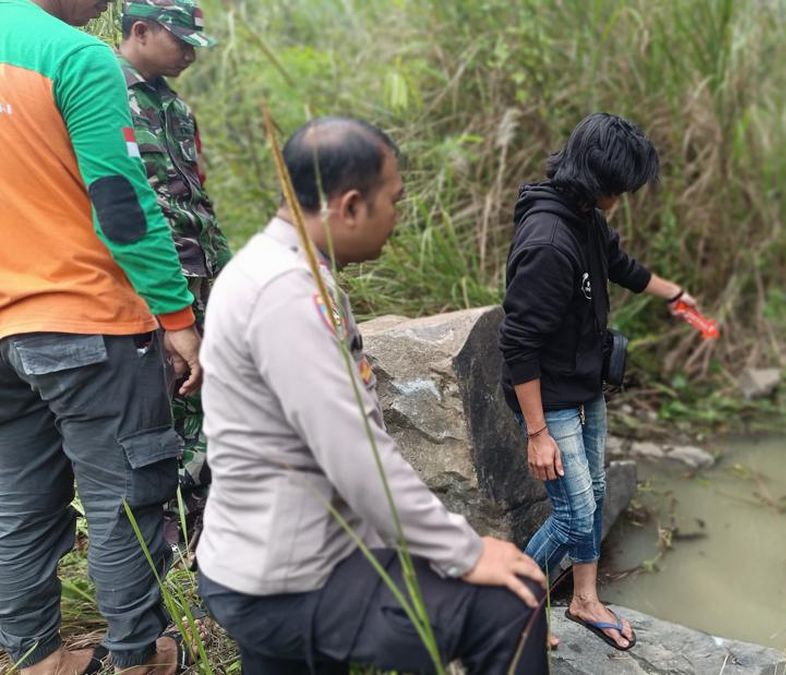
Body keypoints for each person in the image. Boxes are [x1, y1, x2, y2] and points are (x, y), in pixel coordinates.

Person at [196, 117, 548, 675]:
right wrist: (466, 551)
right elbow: (357, 457)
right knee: (512, 605)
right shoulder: (288, 295)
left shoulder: (270, 270)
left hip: (261, 563)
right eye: (394, 201)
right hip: (287, 580)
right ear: (352, 206)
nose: (397, 218)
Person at [0, 0, 204, 673]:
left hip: (4, 332)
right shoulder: (73, 55)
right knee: (126, 497)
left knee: (18, 503)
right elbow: (120, 202)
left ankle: (37, 658)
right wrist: (177, 317)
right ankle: (140, 657)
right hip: (85, 319)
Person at [499, 112, 701, 651]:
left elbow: (619, 264)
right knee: (573, 515)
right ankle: (507, 608)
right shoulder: (548, 242)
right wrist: (537, 433)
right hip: (549, 397)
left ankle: (584, 600)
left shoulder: (584, 214)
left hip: (585, 382)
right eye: (622, 186)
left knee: (595, 493)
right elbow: (517, 343)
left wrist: (674, 294)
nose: (624, 196)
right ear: (599, 178)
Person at [117, 0, 230, 545]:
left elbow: (196, 196)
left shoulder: (175, 108)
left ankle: (208, 525)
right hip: (154, 281)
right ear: (140, 30)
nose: (189, 54)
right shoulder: (104, 92)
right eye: (180, 42)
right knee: (168, 401)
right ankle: (171, 533)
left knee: (207, 393)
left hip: (201, 270)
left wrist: (225, 269)